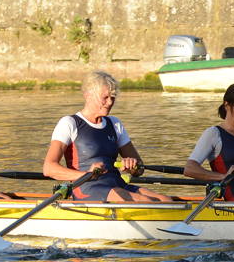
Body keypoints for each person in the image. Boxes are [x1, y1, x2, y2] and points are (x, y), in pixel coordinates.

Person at [43, 71, 172, 202]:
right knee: (147, 202)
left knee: (166, 201)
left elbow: (139, 170)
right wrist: (87, 175)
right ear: (88, 96)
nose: (110, 102)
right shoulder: (69, 123)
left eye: (113, 97)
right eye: (105, 97)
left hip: (118, 184)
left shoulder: (115, 123)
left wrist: (132, 166)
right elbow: (49, 168)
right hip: (88, 190)